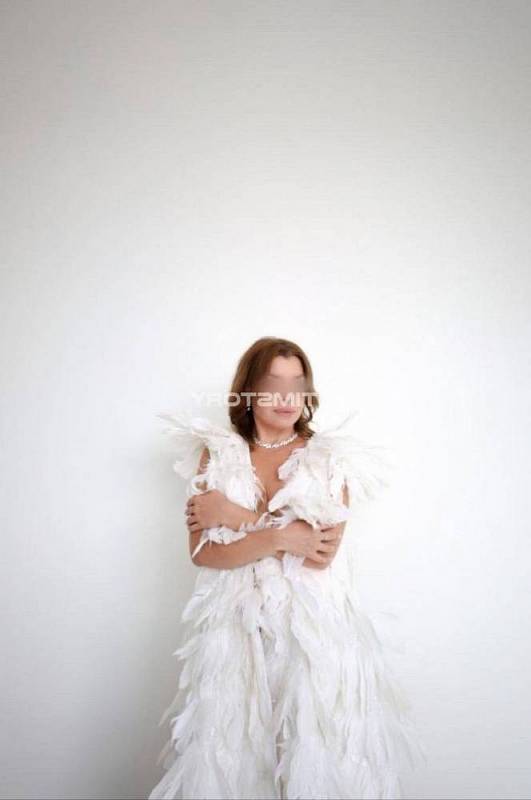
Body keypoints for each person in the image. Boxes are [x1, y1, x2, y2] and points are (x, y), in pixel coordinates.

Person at [148, 337, 425, 800]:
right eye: (273, 383)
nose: (286, 397)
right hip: (234, 634)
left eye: (297, 385)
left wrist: (234, 517)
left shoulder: (328, 460)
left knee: (313, 760)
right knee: (235, 761)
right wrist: (280, 536)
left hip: (313, 638)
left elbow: (318, 551)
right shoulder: (217, 455)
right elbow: (204, 553)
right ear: (248, 390)